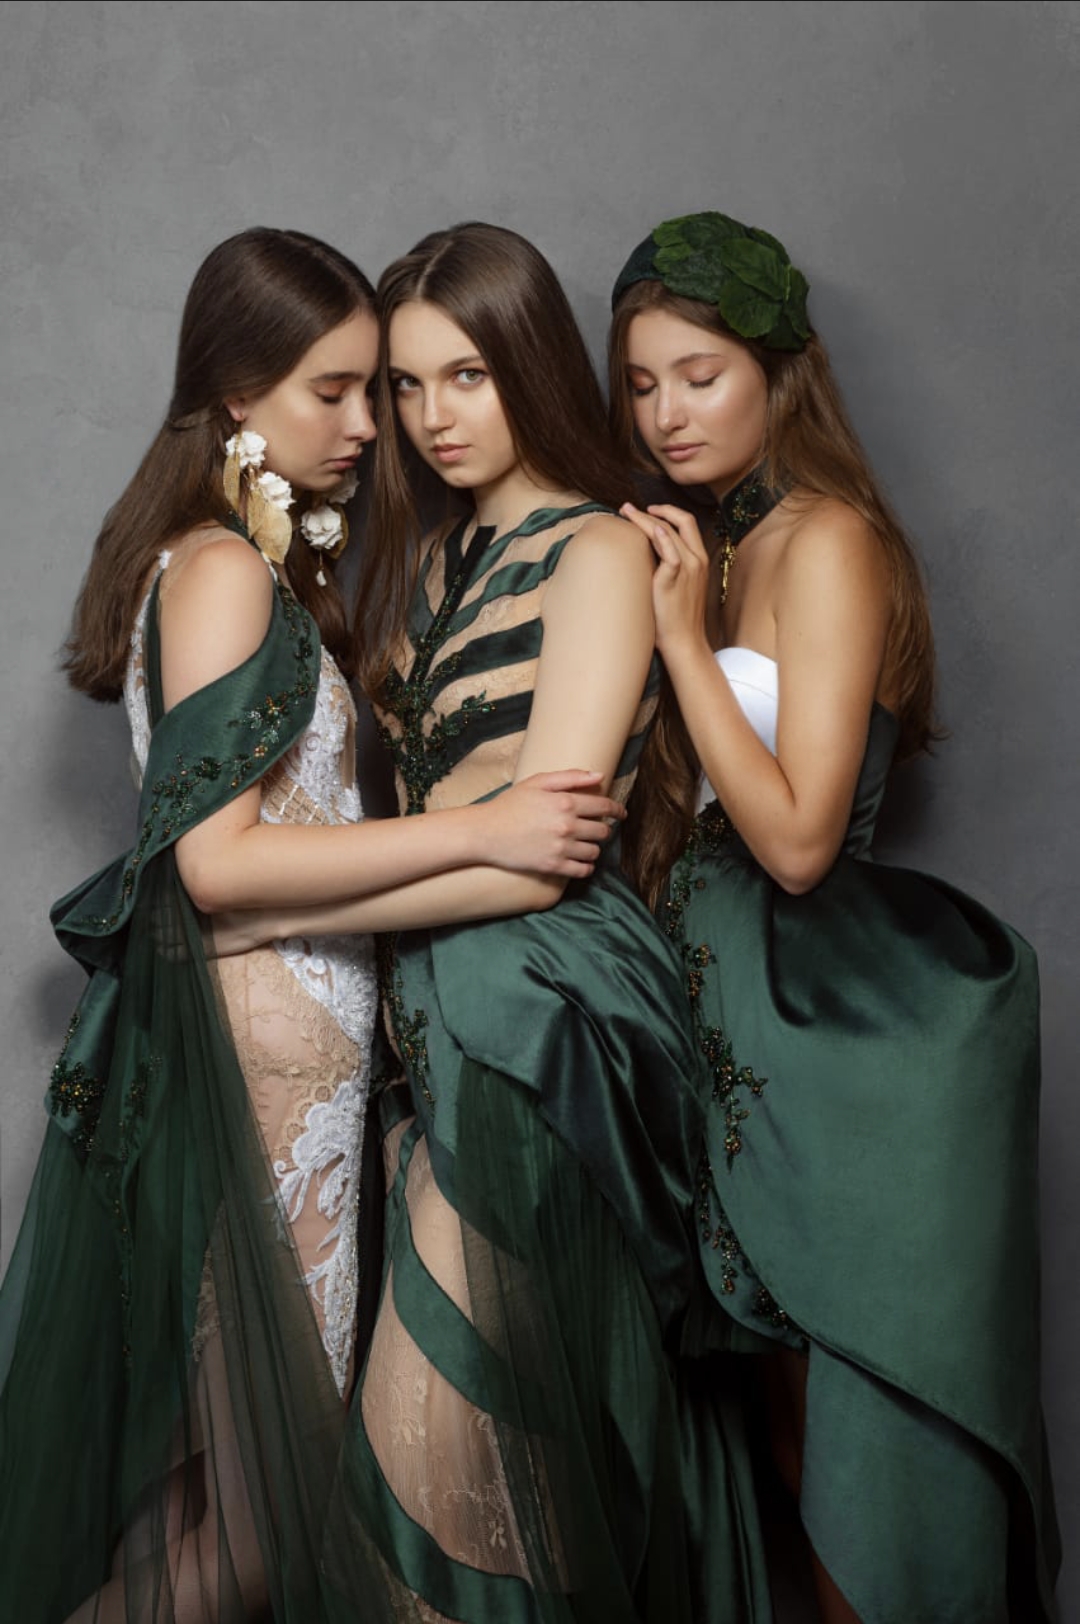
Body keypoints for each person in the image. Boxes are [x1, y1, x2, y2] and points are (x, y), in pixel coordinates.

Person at [0, 226, 625, 1624]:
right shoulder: (224, 570)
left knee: (203, 1513)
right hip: (270, 1071)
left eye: (375, 390)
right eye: (335, 391)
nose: (371, 427)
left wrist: (502, 854)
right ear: (237, 395)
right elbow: (218, 865)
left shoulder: (243, 567)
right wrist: (485, 832)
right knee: (259, 1535)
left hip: (295, 1048)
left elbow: (258, 870)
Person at [226, 220, 772, 1623]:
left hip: (545, 1008)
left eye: (464, 376)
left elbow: (542, 854)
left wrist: (271, 903)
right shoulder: (435, 559)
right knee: (460, 1459)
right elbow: (458, 828)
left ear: (527, 361)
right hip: (438, 1004)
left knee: (454, 1442)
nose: (431, 418)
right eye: (406, 386)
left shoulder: (593, 548)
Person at [609, 209, 1061, 1624]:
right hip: (724, 1017)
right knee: (785, 1445)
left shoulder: (829, 540)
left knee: (864, 1469)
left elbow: (800, 842)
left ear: (780, 372)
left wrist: (678, 645)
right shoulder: (711, 546)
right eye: (641, 383)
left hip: (829, 1029)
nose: (666, 414)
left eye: (700, 376)